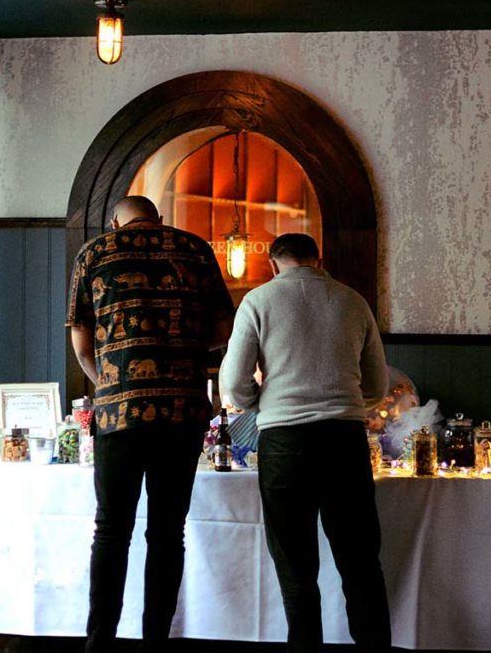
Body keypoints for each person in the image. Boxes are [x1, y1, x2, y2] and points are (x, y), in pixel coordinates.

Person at [66, 195, 235, 652]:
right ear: (159, 219)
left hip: (119, 414)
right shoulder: (196, 250)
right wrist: (185, 347)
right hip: (181, 412)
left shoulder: (95, 253)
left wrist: (108, 385)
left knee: (111, 530)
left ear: (116, 221)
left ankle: (99, 642)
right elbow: (224, 330)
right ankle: (155, 641)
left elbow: (81, 342)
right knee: (166, 532)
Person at [219, 233, 391, 653]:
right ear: (320, 259)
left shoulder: (258, 301)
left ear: (271, 265)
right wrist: (346, 401)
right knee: (360, 563)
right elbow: (377, 385)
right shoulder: (352, 301)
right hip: (344, 441)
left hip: (284, 443)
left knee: (295, 567)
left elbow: (233, 384)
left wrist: (260, 402)